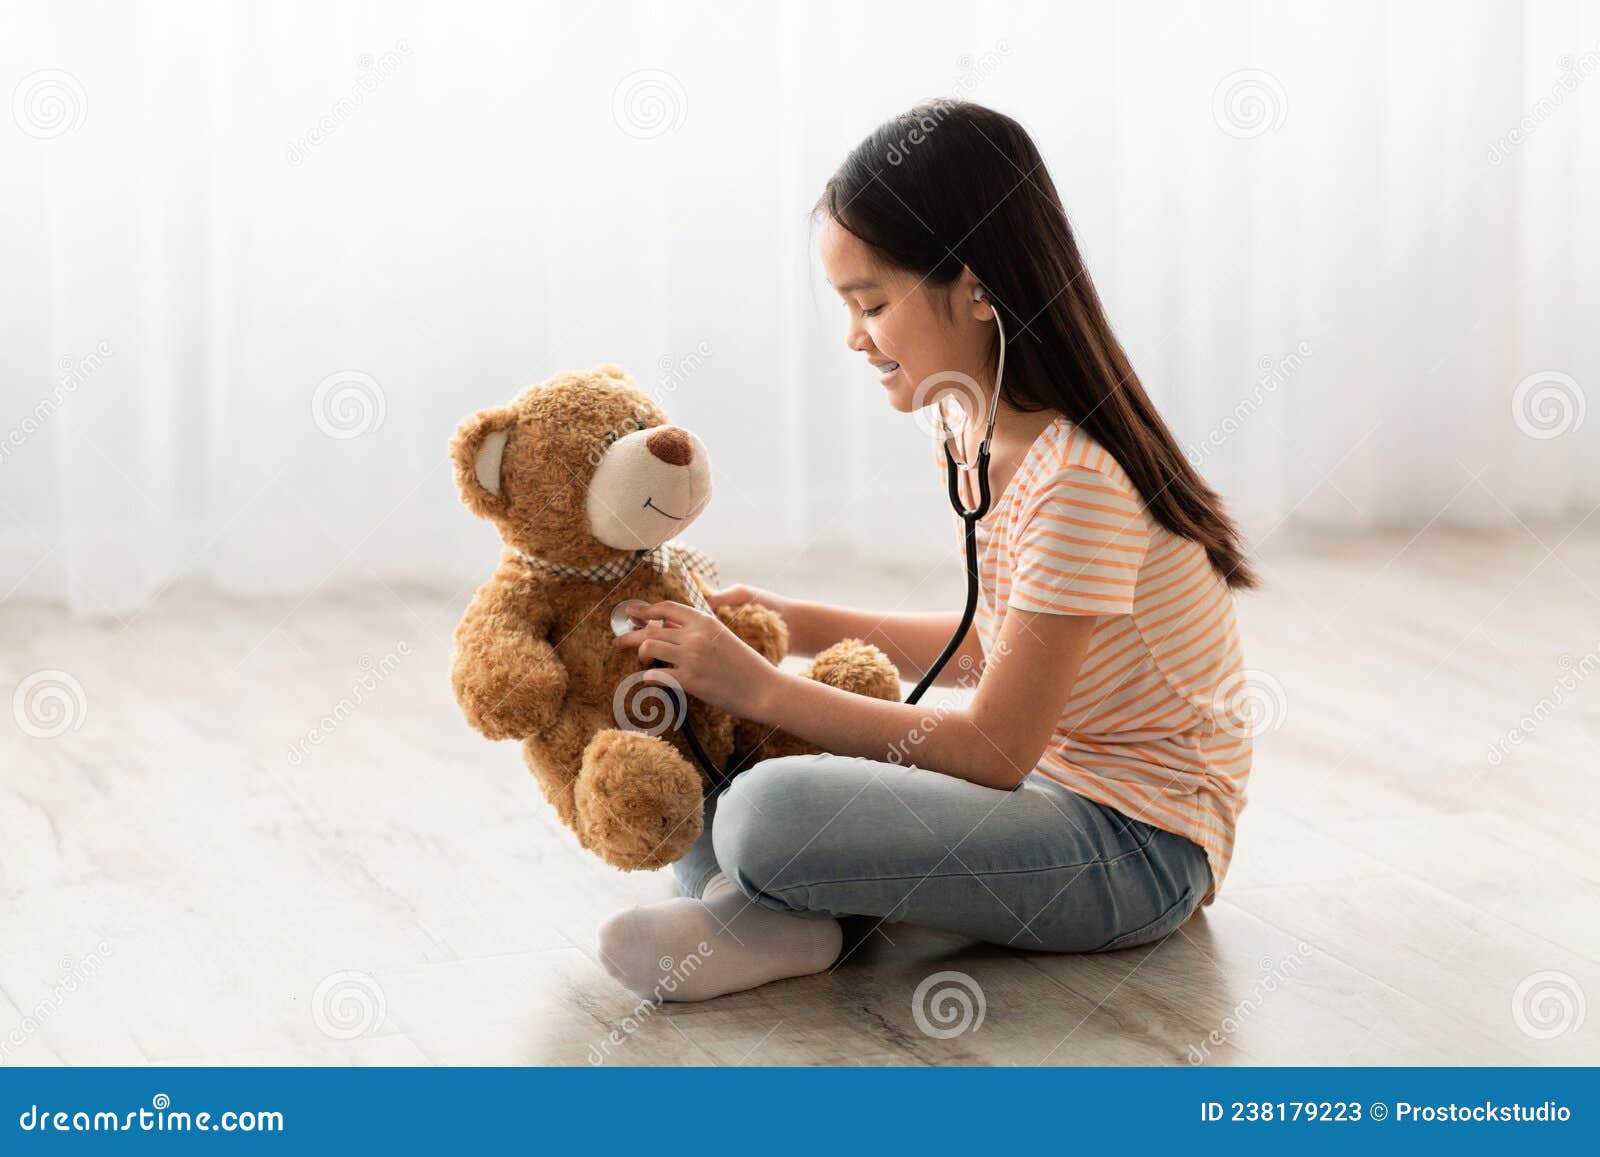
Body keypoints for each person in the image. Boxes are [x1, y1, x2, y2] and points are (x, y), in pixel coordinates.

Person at [599, 101, 1258, 1003]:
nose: (854, 336)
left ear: (978, 287)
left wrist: (759, 683)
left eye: (870, 303)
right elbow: (989, 644)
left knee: (761, 811)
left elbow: (995, 746)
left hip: (1135, 848)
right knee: (707, 766)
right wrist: (788, 625)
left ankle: (769, 915)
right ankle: (780, 921)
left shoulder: (1078, 480)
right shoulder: (971, 424)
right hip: (1044, 799)